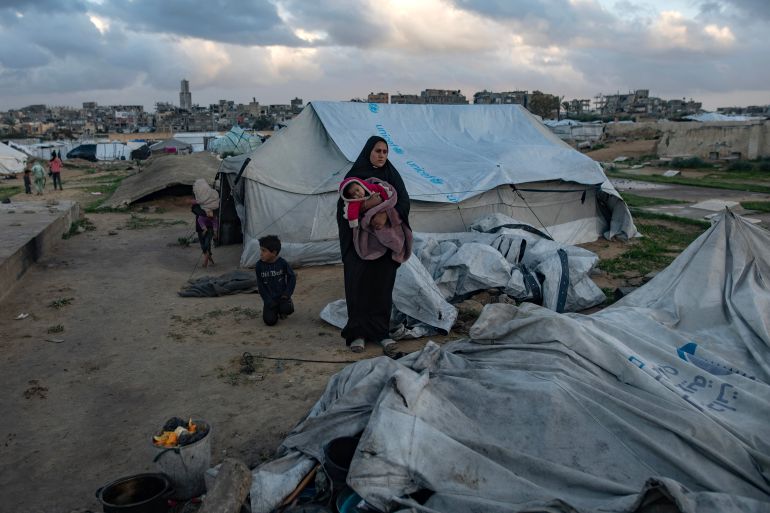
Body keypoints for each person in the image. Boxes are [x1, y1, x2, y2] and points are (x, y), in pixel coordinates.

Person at [336, 136, 410, 355]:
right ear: (368, 151)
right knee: (358, 286)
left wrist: (387, 217)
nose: (381, 155)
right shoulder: (354, 177)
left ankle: (381, 333)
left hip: (385, 244)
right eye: (377, 151)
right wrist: (366, 208)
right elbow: (344, 208)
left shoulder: (391, 175)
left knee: (381, 287)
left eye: (385, 152)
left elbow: (404, 202)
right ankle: (357, 333)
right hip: (358, 244)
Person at [339, 176, 413, 262]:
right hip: (367, 230)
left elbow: (398, 199)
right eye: (353, 195)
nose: (357, 194)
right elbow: (350, 212)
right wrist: (366, 205)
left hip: (388, 219)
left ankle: (396, 245)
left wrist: (385, 211)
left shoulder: (389, 177)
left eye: (358, 190)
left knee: (391, 235)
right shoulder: (350, 186)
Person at [255, 235, 296, 326]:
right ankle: (274, 311)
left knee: (287, 309)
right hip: (269, 299)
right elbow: (260, 286)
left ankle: (282, 310)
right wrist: (268, 300)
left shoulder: (282, 263)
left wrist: (286, 294)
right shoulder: (259, 266)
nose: (261, 253)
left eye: (264, 251)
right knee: (269, 321)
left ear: (274, 253)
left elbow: (292, 277)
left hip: (282, 297)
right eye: (261, 250)